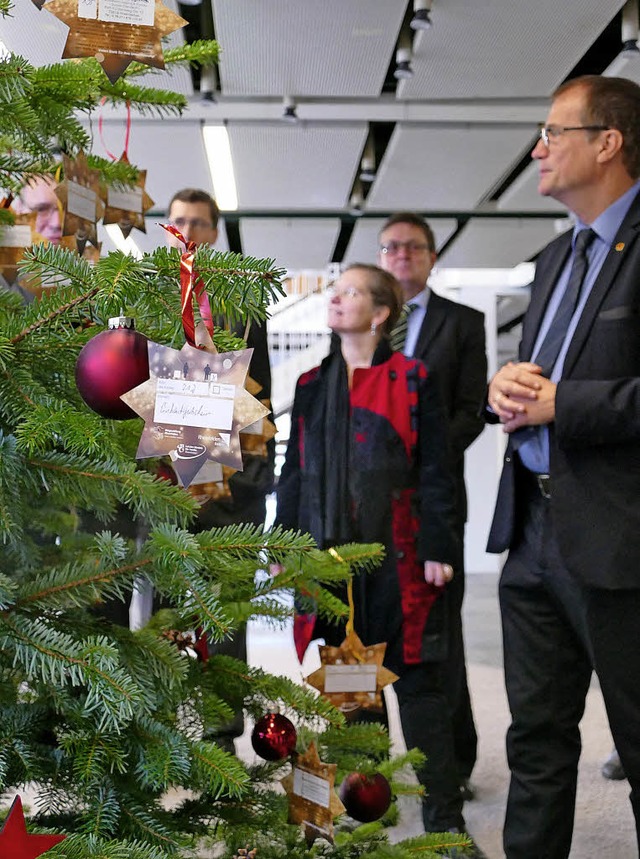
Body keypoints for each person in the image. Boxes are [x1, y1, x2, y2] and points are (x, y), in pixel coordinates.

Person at [276, 263, 487, 853]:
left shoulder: (414, 379)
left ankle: (445, 819)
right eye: (335, 292)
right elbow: (294, 472)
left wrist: (440, 547)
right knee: (353, 695)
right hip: (334, 568)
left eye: (350, 292)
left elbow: (438, 472)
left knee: (421, 695)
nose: (335, 299)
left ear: (380, 312)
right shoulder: (313, 385)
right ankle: (371, 811)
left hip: (402, 566)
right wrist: (284, 545)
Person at [486, 74, 640, 859]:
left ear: (607, 143)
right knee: (536, 741)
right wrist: (502, 388)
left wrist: (563, 405)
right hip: (532, 533)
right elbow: (536, 379)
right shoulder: (552, 258)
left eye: (553, 132)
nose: (538, 148)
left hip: (619, 543)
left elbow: (574, 394)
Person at [377, 212, 487, 801]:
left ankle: (456, 764)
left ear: (431, 256)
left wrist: (424, 456)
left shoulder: (462, 323)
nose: (401, 256)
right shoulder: (360, 323)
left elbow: (473, 409)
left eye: (413, 247)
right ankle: (369, 773)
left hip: (435, 503)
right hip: (370, 507)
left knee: (440, 638)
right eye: (391, 246)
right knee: (369, 632)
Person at [166, 188, 275, 750]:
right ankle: (164, 735)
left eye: (199, 223)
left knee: (226, 613)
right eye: (178, 220)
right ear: (166, 227)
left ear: (214, 233)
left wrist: (251, 480)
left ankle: (221, 734)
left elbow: (263, 397)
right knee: (165, 610)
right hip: (162, 480)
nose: (188, 230)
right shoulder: (147, 300)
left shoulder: (242, 302)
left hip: (233, 481)